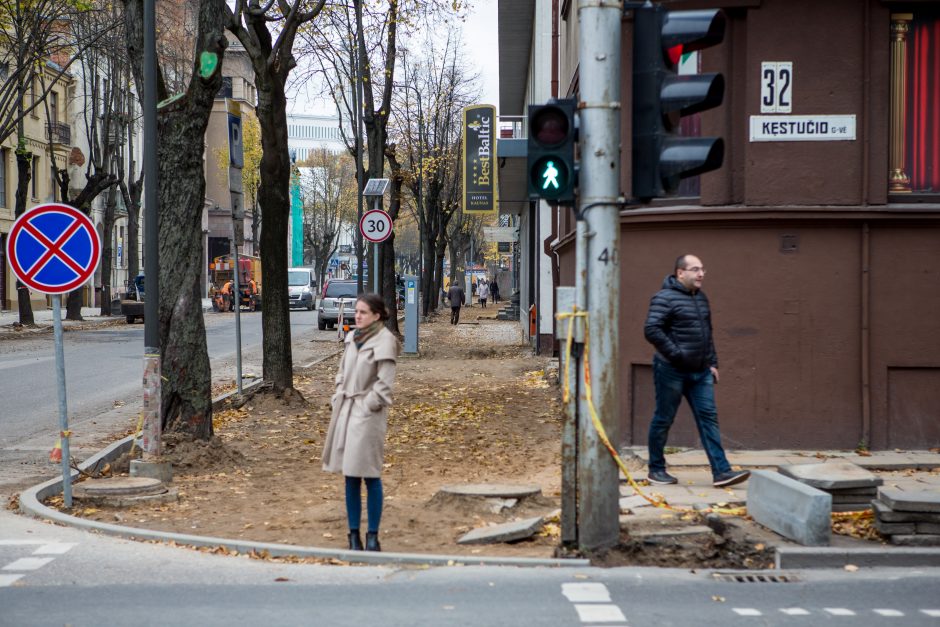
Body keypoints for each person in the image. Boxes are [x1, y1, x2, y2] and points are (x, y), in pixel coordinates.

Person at [643, 254, 750, 489]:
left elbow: (707, 334)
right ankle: (656, 469)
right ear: (680, 273)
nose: (701, 273)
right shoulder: (664, 298)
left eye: (703, 269)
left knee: (709, 418)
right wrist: (677, 354)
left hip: (700, 372)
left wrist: (712, 363)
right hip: (671, 370)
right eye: (695, 269)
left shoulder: (701, 298)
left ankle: (722, 472)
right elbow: (651, 329)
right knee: (664, 419)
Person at [322, 293, 400, 552]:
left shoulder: (385, 342)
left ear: (377, 315)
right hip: (346, 411)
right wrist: (338, 394)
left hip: (368, 417)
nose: (357, 316)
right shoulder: (352, 338)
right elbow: (342, 372)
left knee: (370, 474)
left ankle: (373, 536)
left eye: (363, 312)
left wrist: (367, 405)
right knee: (350, 475)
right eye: (357, 311)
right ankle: (353, 535)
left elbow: (384, 386)